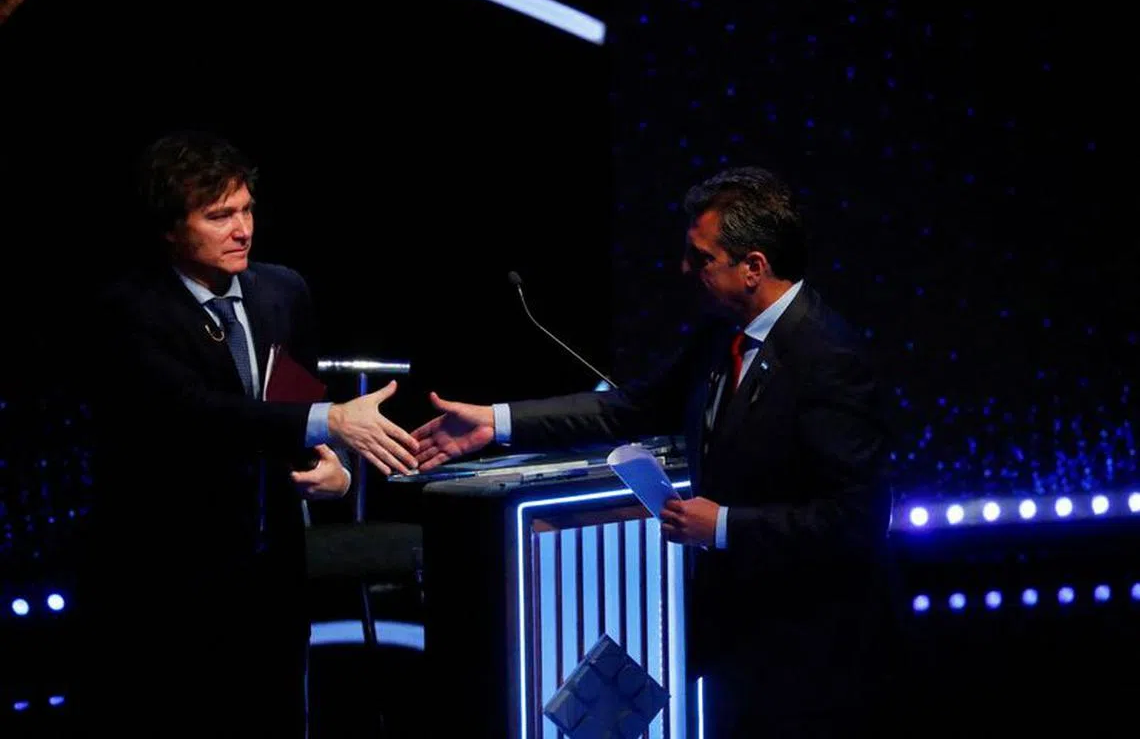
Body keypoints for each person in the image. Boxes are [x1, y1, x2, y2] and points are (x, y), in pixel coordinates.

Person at [412, 167, 897, 737]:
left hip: (809, 653)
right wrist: (496, 422)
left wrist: (724, 526)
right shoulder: (723, 335)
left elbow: (857, 517)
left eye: (701, 257)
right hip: (731, 635)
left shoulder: (828, 356)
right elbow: (626, 409)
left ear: (754, 268)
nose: (685, 270)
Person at [72, 130, 419, 737]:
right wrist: (332, 420)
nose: (242, 229)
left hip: (273, 564)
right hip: (168, 571)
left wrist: (330, 461)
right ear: (170, 229)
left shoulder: (283, 290)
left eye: (247, 209)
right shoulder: (126, 308)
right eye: (219, 215)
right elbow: (194, 412)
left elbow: (294, 400)